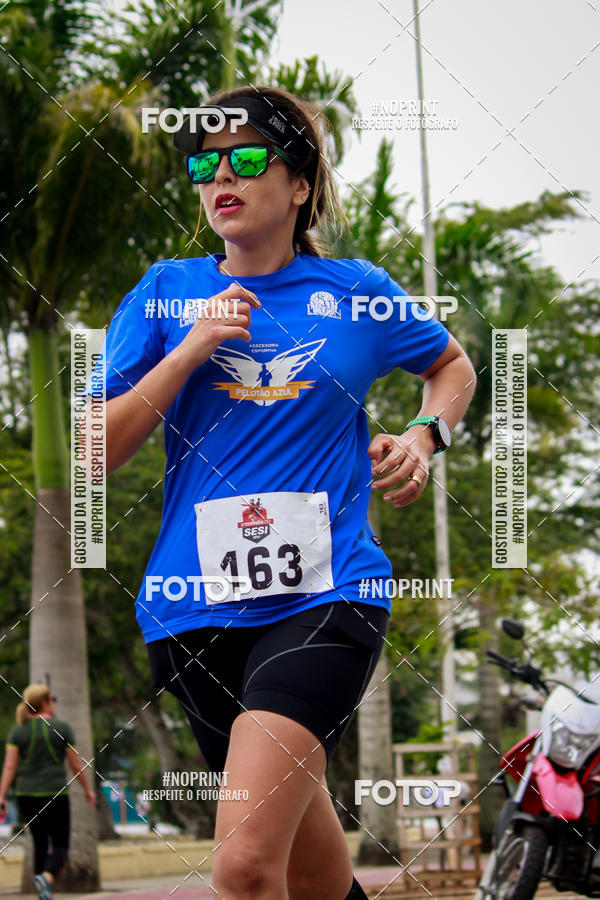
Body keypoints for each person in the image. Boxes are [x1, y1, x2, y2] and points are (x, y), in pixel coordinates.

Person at [102, 85, 476, 899]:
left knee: (242, 866)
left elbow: (452, 364)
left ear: (300, 184)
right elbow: (96, 449)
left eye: (244, 157)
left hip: (327, 596)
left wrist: (424, 436)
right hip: (191, 613)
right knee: (312, 874)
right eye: (204, 164)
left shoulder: (357, 291)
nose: (219, 176)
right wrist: (191, 347)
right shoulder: (165, 291)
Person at [0, 684, 97, 900]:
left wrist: (2, 796)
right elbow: (76, 765)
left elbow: (10, 766)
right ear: (44, 702)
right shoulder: (62, 728)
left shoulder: (18, 731)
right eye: (53, 699)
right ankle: (46, 877)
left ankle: (42, 891)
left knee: (40, 844)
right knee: (60, 845)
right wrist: (87, 790)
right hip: (56, 795)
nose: (54, 703)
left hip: (26, 795)